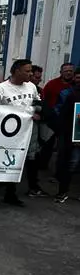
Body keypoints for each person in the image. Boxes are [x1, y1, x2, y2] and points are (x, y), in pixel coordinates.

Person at [0, 59, 41, 208]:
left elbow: (37, 103)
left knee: (18, 164)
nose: (31, 73)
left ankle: (11, 194)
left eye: (31, 71)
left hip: (25, 134)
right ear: (16, 71)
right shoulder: (0, 90)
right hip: (4, 134)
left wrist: (38, 112)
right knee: (0, 163)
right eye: (27, 71)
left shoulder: (31, 87)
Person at [54, 68, 80, 203]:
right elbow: (63, 116)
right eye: (78, 77)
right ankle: (63, 191)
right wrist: (73, 136)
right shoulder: (71, 95)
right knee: (71, 163)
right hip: (73, 136)